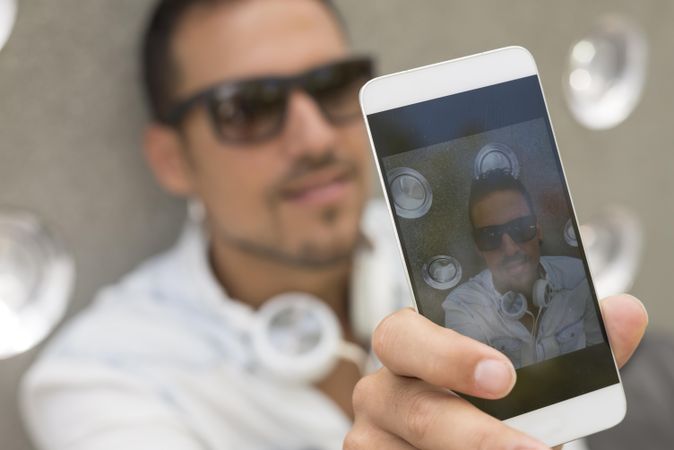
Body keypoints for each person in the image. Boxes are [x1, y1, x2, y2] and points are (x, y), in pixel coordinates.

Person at [19, 1, 648, 450]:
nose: (315, 136)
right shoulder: (99, 376)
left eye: (332, 85)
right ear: (172, 158)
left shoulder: (448, 259)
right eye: (247, 108)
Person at [441, 170, 602, 368]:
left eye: (520, 228)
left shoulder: (579, 277)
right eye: (491, 236)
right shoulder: (463, 307)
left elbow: (600, 361)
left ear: (538, 230)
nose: (510, 249)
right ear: (478, 247)